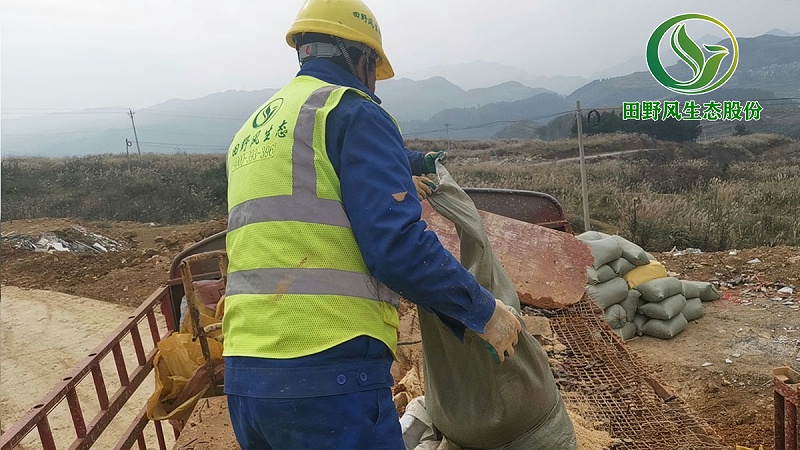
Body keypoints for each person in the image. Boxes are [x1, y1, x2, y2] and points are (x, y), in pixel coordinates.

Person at [222, 1, 521, 448]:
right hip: (328, 371)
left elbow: (323, 167)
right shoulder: (355, 110)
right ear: (360, 58)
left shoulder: (255, 129)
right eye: (374, 70)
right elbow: (397, 248)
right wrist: (482, 311)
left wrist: (410, 163)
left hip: (246, 377)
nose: (374, 84)